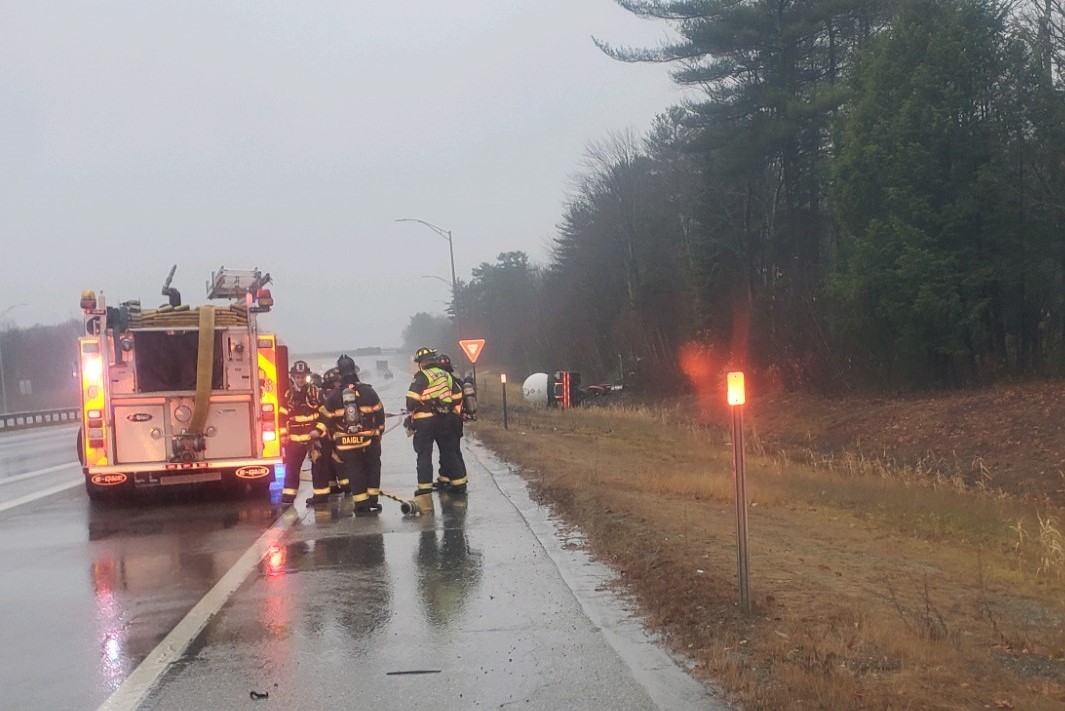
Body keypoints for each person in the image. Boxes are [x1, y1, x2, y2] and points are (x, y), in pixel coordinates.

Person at [314, 355, 385, 513]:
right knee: (373, 466)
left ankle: (361, 503)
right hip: (368, 439)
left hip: (346, 443)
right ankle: (372, 499)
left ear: (340, 374)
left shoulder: (334, 396)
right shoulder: (368, 391)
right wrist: (379, 431)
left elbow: (325, 418)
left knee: (355, 470)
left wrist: (318, 432)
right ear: (355, 370)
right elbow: (380, 413)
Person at [405, 347, 466, 513]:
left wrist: (421, 406)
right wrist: (446, 406)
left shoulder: (421, 377)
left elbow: (411, 402)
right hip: (445, 419)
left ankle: (425, 490)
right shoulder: (446, 375)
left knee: (424, 454)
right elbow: (458, 396)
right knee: (449, 451)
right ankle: (459, 484)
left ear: (421, 363)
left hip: (425, 422)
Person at [279, 360, 320, 505]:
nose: (301, 380)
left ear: (308, 376)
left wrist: (319, 431)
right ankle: (289, 495)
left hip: (313, 438)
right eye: (298, 377)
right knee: (292, 468)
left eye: (303, 376)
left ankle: (319, 496)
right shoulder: (288, 395)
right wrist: (283, 435)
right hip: (294, 440)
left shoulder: (315, 392)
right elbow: (282, 416)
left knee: (318, 468)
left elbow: (322, 413)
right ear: (293, 377)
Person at [433, 354, 469, 494]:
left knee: (449, 452)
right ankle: (445, 478)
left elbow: (442, 402)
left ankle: (459, 482)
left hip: (446, 421)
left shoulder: (443, 384)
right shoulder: (458, 382)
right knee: (450, 450)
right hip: (456, 421)